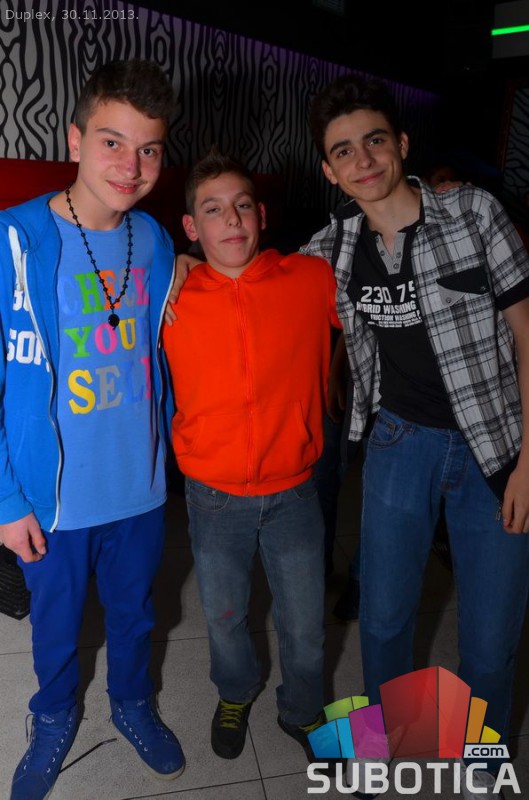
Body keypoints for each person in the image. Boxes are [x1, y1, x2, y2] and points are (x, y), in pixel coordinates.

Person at [302, 72, 529, 799]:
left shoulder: (474, 213)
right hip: (399, 445)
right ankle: (381, 747)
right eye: (343, 150)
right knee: (383, 619)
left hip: (496, 446)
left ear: (400, 143)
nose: (362, 159)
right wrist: (186, 266)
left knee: (490, 635)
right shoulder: (331, 247)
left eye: (374, 140)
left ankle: (482, 758)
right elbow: (253, 279)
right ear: (330, 171)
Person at [0, 59, 185, 800]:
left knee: (136, 615)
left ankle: (133, 703)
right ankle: (52, 715)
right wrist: (6, 499)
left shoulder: (156, 241)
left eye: (148, 149)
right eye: (112, 142)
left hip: (139, 486)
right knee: (54, 624)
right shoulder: (15, 239)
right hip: (53, 497)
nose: (130, 167)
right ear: (75, 140)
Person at [162, 147, 341, 763]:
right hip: (213, 496)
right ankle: (235, 692)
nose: (231, 219)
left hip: (295, 489)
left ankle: (303, 708)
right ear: (191, 227)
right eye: (213, 210)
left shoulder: (311, 279)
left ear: (261, 215)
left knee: (305, 621)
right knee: (224, 615)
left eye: (242, 205)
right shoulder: (171, 293)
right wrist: (171, 262)